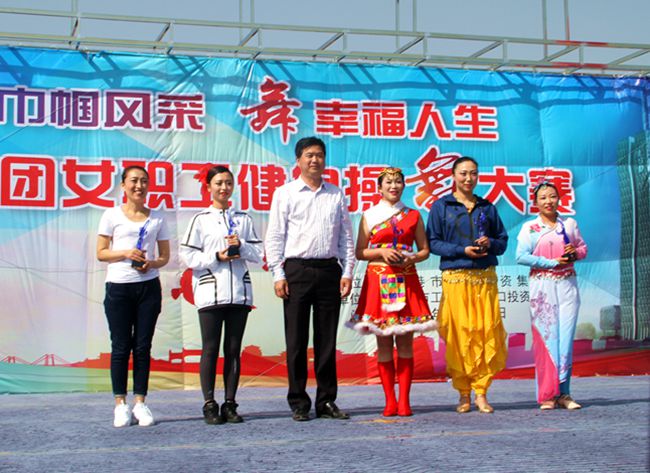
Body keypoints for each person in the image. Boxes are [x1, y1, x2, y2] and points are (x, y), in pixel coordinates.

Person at [265, 136, 355, 422]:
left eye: (319, 155)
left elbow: (346, 238)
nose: (314, 160)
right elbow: (275, 236)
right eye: (309, 155)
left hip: (329, 271)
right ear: (298, 160)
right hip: (297, 271)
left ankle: (326, 400)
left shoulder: (336, 194)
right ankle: (298, 401)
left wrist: (348, 272)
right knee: (296, 340)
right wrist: (278, 274)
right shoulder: (285, 193)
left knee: (327, 340)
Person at [346, 167, 436, 417]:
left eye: (398, 182)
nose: (393, 186)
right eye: (388, 182)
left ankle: (404, 401)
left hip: (405, 279)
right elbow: (360, 251)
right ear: (379, 187)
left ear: (404, 186)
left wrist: (411, 258)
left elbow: (424, 250)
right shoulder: (370, 215)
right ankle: (389, 401)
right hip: (379, 280)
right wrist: (382, 252)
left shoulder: (413, 215)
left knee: (405, 341)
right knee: (384, 342)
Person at [179, 165, 264, 424]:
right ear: (208, 187)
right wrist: (216, 256)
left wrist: (242, 246)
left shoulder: (243, 219)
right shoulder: (200, 219)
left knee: (233, 349)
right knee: (210, 348)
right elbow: (187, 255)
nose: (224, 188)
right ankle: (209, 403)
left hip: (239, 293)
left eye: (228, 183)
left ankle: (230, 403)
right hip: (210, 293)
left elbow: (259, 254)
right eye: (218, 183)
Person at [426, 156, 508, 414]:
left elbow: (502, 241)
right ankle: (463, 393)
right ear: (453, 176)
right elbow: (433, 243)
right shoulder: (442, 206)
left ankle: (482, 392)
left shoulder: (487, 207)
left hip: (484, 279)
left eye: (473, 173)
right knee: (460, 334)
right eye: (463, 173)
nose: (468, 178)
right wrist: (462, 250)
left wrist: (489, 244)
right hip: (456, 278)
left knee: (485, 332)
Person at [97, 165, 170, 427]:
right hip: (119, 287)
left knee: (142, 347)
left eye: (144, 181)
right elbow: (101, 253)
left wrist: (152, 263)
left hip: (148, 288)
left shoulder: (157, 217)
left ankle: (140, 402)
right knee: (120, 347)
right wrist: (126, 253)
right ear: (123, 185)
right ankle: (120, 404)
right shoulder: (111, 215)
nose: (139, 186)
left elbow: (164, 256)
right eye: (134, 181)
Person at [516, 181, 587, 410]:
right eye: (543, 197)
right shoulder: (530, 228)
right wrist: (551, 262)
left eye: (553, 196)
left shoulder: (569, 224)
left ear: (559, 199)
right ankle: (548, 394)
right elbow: (521, 256)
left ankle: (564, 394)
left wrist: (574, 253)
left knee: (565, 339)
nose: (549, 201)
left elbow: (583, 248)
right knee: (547, 339)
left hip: (567, 284)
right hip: (542, 286)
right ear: (535, 202)